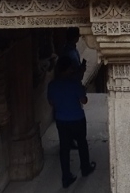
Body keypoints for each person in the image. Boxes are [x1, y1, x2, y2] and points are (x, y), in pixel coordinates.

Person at [47, 55, 96, 188]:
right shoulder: (74, 84)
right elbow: (84, 101)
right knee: (82, 143)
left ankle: (66, 176)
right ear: (68, 69)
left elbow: (51, 102)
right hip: (77, 118)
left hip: (61, 120)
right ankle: (85, 168)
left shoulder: (52, 85)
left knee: (64, 148)